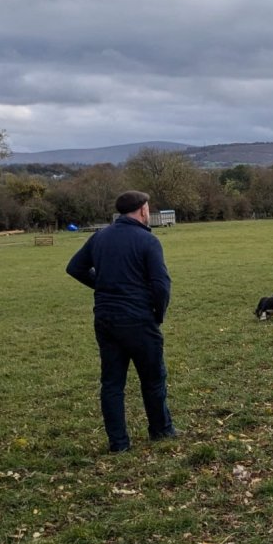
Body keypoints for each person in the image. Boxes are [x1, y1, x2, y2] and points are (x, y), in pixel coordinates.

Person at [66, 190, 177, 452]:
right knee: (152, 378)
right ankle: (161, 430)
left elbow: (74, 267)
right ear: (142, 210)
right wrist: (157, 314)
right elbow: (161, 284)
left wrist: (102, 287)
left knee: (112, 384)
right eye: (148, 208)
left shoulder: (99, 237)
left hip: (106, 319)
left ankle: (118, 443)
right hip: (139, 319)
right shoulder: (147, 241)